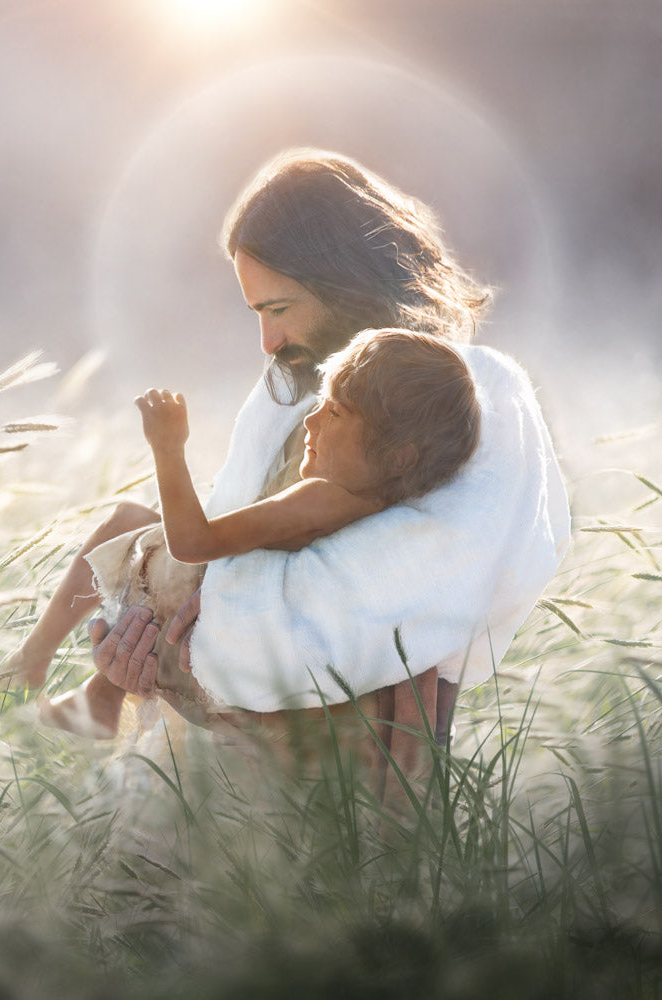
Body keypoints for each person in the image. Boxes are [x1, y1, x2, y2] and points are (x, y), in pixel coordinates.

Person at [72, 148, 570, 790]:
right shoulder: (292, 406)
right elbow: (212, 571)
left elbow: (358, 613)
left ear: (344, 280)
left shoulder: (464, 402)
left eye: (279, 310)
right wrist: (138, 660)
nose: (268, 343)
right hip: (203, 777)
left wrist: (198, 635)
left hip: (354, 795)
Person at [0, 329, 480, 738]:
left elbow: (194, 543)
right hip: (206, 647)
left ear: (399, 456)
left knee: (126, 519)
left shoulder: (324, 498)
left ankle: (32, 661)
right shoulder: (376, 511)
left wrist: (168, 448)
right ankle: (97, 697)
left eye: (334, 413)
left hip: (198, 647)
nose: (311, 420)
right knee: (143, 540)